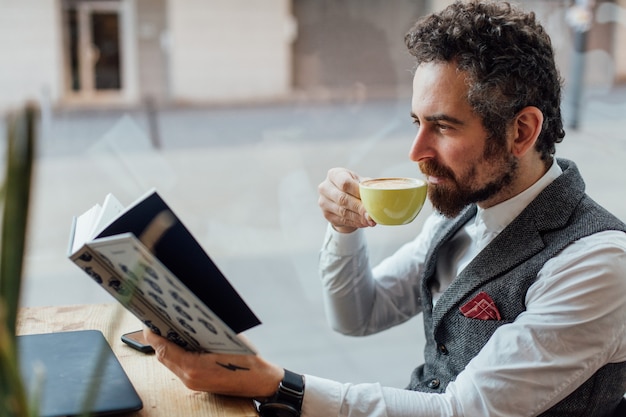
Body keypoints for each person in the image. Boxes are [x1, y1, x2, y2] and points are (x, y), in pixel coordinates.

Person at [143, 1, 626, 416]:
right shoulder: (464, 211)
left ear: (521, 131)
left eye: (443, 126)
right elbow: (357, 314)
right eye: (416, 121)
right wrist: (344, 230)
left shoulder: (600, 263)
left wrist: (279, 385)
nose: (416, 150)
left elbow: (462, 410)